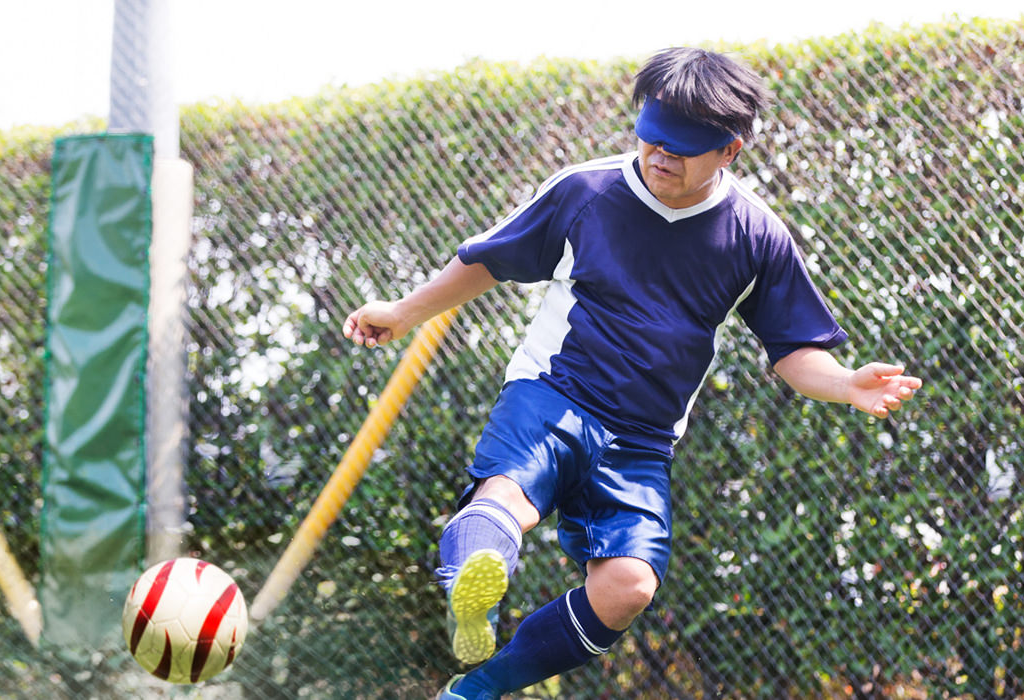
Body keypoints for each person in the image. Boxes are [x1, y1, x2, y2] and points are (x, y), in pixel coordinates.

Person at [341, 46, 923, 700]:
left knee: (629, 587)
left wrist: (845, 383)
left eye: (681, 148)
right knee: (507, 498)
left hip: (642, 441)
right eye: (650, 138)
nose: (659, 156)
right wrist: (402, 312)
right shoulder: (586, 191)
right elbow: (489, 260)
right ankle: (474, 586)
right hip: (553, 394)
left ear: (729, 151)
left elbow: (792, 350)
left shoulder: (756, 235)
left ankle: (479, 687)